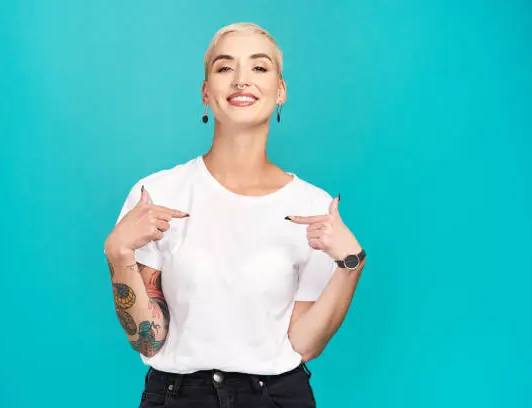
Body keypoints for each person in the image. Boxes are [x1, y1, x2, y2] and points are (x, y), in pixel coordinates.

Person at [103, 22, 366, 408]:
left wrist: (350, 265)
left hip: (277, 396)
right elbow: (148, 339)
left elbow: (304, 343)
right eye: (225, 68)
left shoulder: (312, 207)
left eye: (259, 68)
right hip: (178, 396)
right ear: (206, 93)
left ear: (280, 92)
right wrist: (118, 255)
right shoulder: (157, 194)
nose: (242, 80)